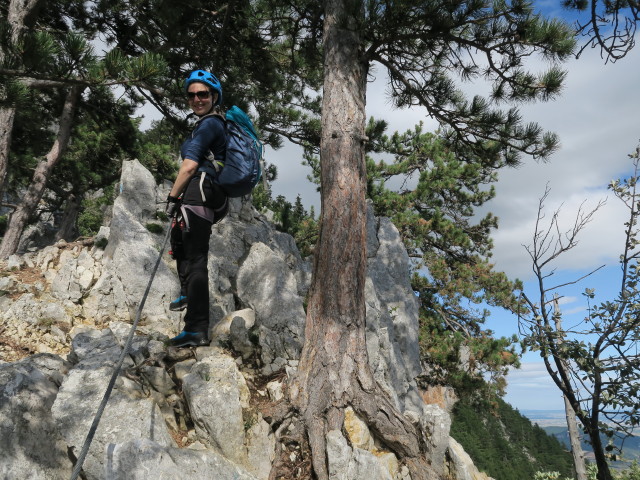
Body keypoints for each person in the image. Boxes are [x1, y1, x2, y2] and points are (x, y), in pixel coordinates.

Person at [165, 70, 228, 348]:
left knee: (196, 260)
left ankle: (196, 328)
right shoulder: (210, 124)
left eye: (203, 94)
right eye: (191, 94)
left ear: (214, 96)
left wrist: (172, 195)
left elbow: (189, 166)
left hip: (197, 193)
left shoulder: (209, 125)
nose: (196, 99)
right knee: (183, 247)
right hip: (204, 195)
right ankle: (186, 293)